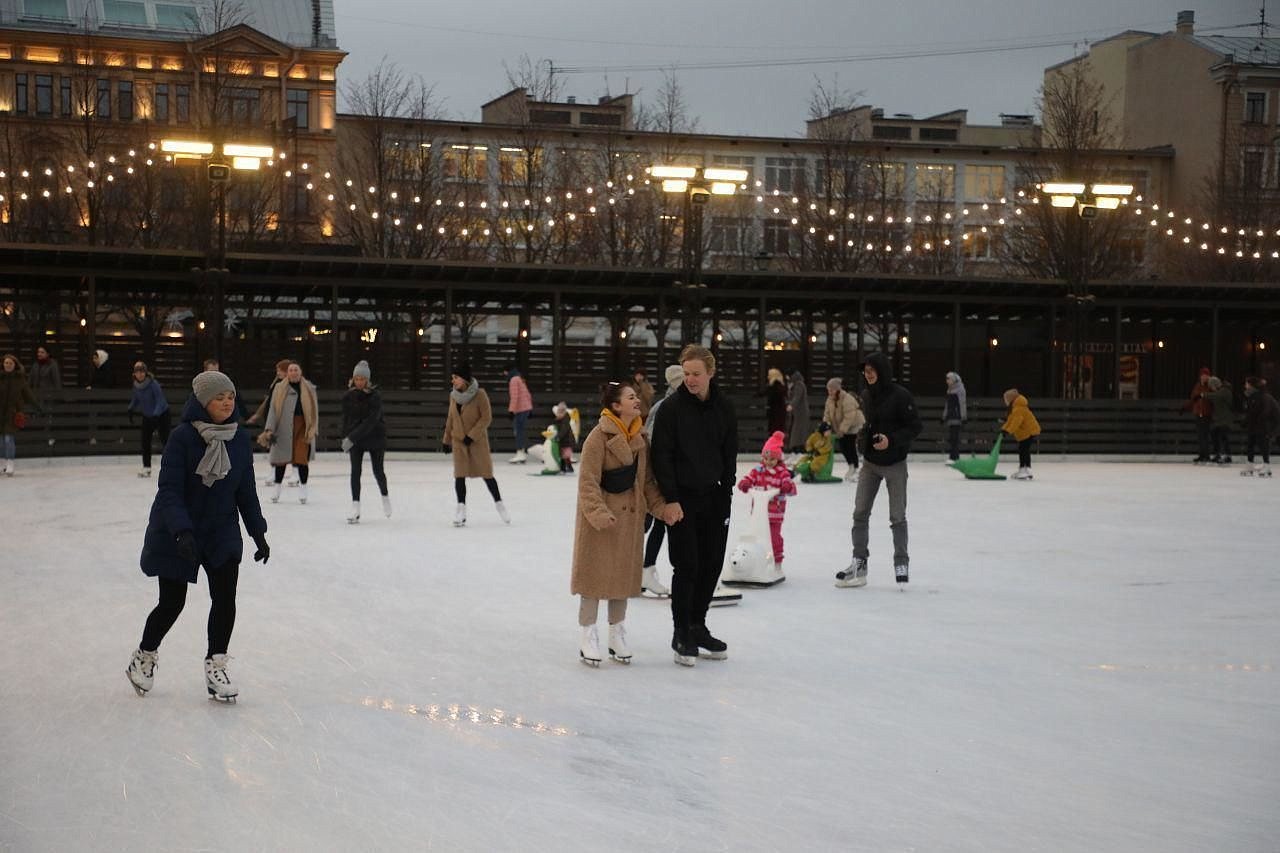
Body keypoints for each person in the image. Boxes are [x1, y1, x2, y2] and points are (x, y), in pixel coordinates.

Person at [126, 370, 269, 702]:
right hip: (178, 529)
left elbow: (245, 490)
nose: (226, 402)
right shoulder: (183, 438)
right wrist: (182, 531)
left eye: (230, 396)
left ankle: (216, 666)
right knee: (172, 602)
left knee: (224, 599)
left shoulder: (239, 438)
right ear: (203, 402)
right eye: (219, 397)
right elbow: (170, 491)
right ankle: (144, 655)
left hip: (220, 529)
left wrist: (258, 532)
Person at [651, 344, 739, 666]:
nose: (690, 379)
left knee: (711, 564)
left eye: (696, 374)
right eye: (686, 373)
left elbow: (730, 452)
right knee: (687, 565)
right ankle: (680, 632)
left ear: (711, 373)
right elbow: (662, 456)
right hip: (682, 500)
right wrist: (671, 498)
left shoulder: (724, 408)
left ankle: (697, 625)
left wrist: (726, 490)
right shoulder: (671, 410)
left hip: (716, 499)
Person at [571, 381, 669, 666]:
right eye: (630, 397)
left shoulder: (640, 439)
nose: (636, 400)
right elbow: (587, 482)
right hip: (600, 521)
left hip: (629, 520)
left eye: (636, 396)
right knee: (594, 578)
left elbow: (647, 482)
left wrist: (661, 508)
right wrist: (599, 513)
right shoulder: (597, 438)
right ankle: (588, 633)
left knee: (622, 578)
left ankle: (617, 633)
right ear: (616, 406)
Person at [835, 352, 922, 589]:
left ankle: (901, 563)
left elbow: (915, 426)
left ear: (882, 371)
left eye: (872, 370)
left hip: (894, 463)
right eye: (865, 371)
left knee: (897, 516)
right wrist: (863, 439)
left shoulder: (901, 395)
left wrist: (891, 440)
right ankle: (859, 563)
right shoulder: (866, 395)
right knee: (860, 513)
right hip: (871, 464)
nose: (868, 374)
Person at [445, 361, 510, 526]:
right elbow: (451, 418)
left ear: (464, 379)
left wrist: (472, 435)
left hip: (477, 442)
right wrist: (446, 440)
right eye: (452, 377)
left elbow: (486, 418)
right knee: (459, 476)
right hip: (459, 441)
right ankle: (461, 510)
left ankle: (499, 503)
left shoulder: (480, 394)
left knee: (487, 475)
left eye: (456, 377)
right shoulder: (453, 396)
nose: (453, 381)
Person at [640, 364, 685, 598]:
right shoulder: (667, 408)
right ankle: (642, 570)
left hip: (665, 476)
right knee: (652, 523)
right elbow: (655, 443)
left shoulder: (676, 406)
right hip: (659, 477)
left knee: (657, 524)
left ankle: (644, 570)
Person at [736, 431, 798, 575]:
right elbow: (749, 478)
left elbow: (791, 488)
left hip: (774, 514)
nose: (768, 462)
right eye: (766, 458)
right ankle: (754, 562)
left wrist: (786, 487)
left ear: (778, 459)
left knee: (774, 539)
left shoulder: (782, 472)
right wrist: (744, 483)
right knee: (755, 539)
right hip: (758, 514)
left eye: (772, 459)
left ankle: (777, 564)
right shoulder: (758, 471)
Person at [261, 361, 318, 504]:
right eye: (291, 370)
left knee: (302, 459)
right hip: (283, 427)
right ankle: (277, 488)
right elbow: (273, 411)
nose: (293, 372)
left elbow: (314, 410)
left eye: (296, 370)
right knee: (281, 460)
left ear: (300, 372)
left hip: (303, 427)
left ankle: (303, 488)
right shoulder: (279, 388)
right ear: (288, 373)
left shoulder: (309, 388)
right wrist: (269, 429)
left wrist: (313, 428)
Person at [341, 360, 390, 522]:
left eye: (362, 379)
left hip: (375, 437)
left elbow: (372, 421)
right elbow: (346, 419)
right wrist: (345, 437)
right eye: (357, 378)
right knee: (355, 471)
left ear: (367, 380)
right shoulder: (348, 396)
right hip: (356, 439)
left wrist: (351, 437)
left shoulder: (375, 397)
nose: (359, 382)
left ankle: (385, 495)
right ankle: (355, 506)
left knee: (378, 471)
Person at [128, 361, 171, 478]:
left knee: (165, 441)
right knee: (145, 442)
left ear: (145, 372)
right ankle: (146, 468)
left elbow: (160, 400)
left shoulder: (153, 384)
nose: (140, 374)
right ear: (134, 374)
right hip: (147, 416)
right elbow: (136, 399)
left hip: (162, 415)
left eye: (142, 371)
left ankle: (171, 466)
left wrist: (156, 415)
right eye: (137, 372)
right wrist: (131, 409)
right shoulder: (136, 386)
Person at [0, 354, 38, 477]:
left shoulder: (20, 380)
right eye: (6, 363)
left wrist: (37, 407)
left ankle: (10, 463)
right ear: (3, 364)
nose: (8, 365)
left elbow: (28, 395)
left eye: (10, 363)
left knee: (8, 439)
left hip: (12, 414)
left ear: (15, 365)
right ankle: (2, 463)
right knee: (0, 441)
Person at [822, 377, 865, 481]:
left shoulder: (847, 399)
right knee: (843, 446)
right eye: (828, 389)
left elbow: (849, 416)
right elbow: (827, 415)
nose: (829, 392)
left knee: (850, 445)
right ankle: (851, 465)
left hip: (854, 425)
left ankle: (855, 467)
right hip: (842, 428)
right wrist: (825, 427)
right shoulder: (830, 400)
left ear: (837, 389)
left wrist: (842, 430)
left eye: (831, 389)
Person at [1000, 388, 1042, 481]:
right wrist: (1004, 429)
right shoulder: (1015, 407)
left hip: (1029, 431)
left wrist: (1008, 431)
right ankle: (1023, 469)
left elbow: (1016, 422)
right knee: (1023, 449)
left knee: (1024, 450)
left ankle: (1025, 469)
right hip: (1026, 432)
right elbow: (1010, 420)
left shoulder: (1019, 408)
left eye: (1006, 400)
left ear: (1010, 399)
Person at [1241, 377, 1279, 476]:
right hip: (1255, 425)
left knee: (1263, 445)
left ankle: (1267, 466)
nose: (1245, 385)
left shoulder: (1262, 396)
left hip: (1264, 426)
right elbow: (1251, 412)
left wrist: (1259, 421)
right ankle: (1250, 464)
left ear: (1251, 385)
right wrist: (1246, 422)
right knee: (1250, 444)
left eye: (1246, 383)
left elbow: (1266, 411)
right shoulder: (1251, 396)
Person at [1180, 367, 1214, 463]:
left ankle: (1206, 455)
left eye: (1206, 375)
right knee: (1200, 436)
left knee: (1205, 436)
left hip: (1207, 414)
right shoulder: (1197, 386)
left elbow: (1214, 399)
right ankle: (1202, 455)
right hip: (1198, 413)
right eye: (1203, 375)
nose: (1204, 377)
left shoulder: (1210, 387)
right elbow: (1192, 399)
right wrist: (1185, 407)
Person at [507, 365, 534, 464]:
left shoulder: (513, 380)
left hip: (520, 409)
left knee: (518, 431)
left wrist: (511, 411)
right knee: (521, 430)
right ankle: (521, 452)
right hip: (526, 408)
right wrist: (530, 409)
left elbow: (515, 396)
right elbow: (528, 394)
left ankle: (520, 452)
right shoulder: (520, 378)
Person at [1205, 376, 1234, 464]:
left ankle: (1227, 456)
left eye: (1211, 387)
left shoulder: (1225, 391)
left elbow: (1216, 396)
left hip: (1225, 419)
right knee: (1215, 436)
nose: (1211, 389)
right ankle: (1217, 454)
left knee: (1224, 437)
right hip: (1218, 420)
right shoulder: (1219, 392)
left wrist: (1203, 395)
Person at [943, 372, 967, 461]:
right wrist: (944, 416)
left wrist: (963, 417)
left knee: (954, 438)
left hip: (957, 416)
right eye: (946, 379)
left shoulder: (960, 389)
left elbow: (962, 403)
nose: (947, 381)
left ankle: (954, 457)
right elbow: (947, 404)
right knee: (952, 438)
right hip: (950, 416)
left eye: (948, 379)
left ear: (953, 379)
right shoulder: (949, 390)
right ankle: (953, 457)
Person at [786, 371, 810, 453]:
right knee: (795, 432)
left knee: (798, 433)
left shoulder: (799, 384)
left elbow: (797, 397)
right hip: (796, 413)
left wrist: (791, 405)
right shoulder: (794, 384)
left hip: (801, 413)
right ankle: (795, 451)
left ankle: (798, 451)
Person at [553, 401, 577, 473]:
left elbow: (564, 430)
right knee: (562, 455)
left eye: (560, 412)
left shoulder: (565, 420)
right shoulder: (559, 419)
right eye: (558, 411)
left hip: (567, 441)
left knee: (565, 455)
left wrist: (558, 437)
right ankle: (563, 468)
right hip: (563, 441)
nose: (559, 413)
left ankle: (568, 467)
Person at [764, 368, 787, 436]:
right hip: (778, 413)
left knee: (774, 431)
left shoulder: (775, 386)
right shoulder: (779, 386)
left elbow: (771, 396)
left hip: (776, 413)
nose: (768, 377)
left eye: (769, 375)